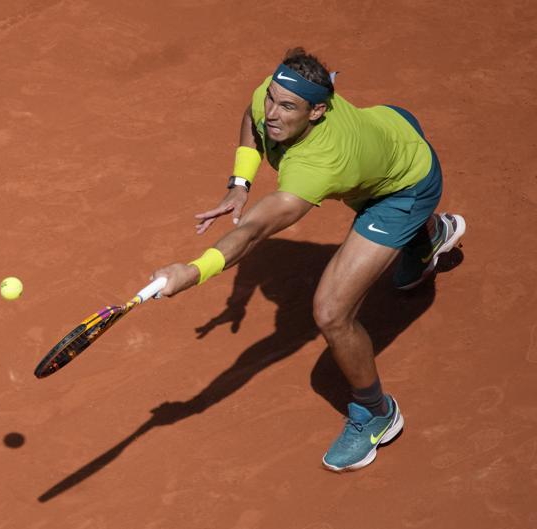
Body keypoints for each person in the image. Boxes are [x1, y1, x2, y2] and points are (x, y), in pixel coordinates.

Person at [151, 47, 466, 472]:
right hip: (392, 129)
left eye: (288, 106)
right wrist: (240, 181)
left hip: (404, 188)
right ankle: (429, 237)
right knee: (368, 190)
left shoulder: (318, 167)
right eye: (273, 98)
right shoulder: (274, 93)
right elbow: (252, 114)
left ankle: (377, 414)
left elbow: (252, 232)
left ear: (317, 111)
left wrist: (192, 271)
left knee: (332, 312)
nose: (273, 112)